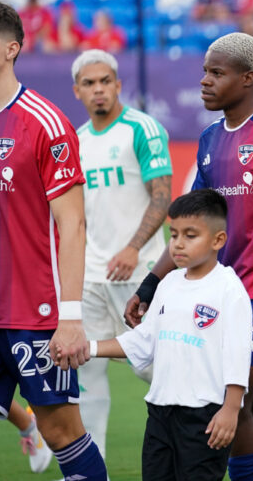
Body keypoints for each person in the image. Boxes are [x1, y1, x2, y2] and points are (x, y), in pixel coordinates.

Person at [124, 32, 253, 481]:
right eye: (204, 72)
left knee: (232, 399)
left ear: (248, 79)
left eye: (217, 73)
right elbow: (191, 225)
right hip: (224, 287)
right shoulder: (211, 138)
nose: (205, 81)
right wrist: (151, 283)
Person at [0, 0, 107, 480]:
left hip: (34, 316)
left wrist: (70, 319)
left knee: (62, 433)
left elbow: (73, 226)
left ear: (11, 49)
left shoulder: (45, 123)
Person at [66, 189, 252, 481]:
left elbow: (239, 354)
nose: (178, 244)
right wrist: (87, 347)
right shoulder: (168, 284)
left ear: (218, 240)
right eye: (174, 234)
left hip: (204, 417)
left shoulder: (229, 290)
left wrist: (230, 410)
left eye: (190, 236)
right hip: (160, 413)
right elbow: (143, 342)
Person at [71, 49, 173, 459]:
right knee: (87, 371)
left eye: (105, 81)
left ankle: (207, 431)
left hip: (139, 272)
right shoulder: (75, 140)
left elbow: (163, 196)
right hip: (91, 276)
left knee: (152, 367)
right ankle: (92, 470)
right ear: (77, 91)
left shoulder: (142, 129)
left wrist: (132, 248)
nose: (99, 89)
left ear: (117, 84)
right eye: (90, 83)